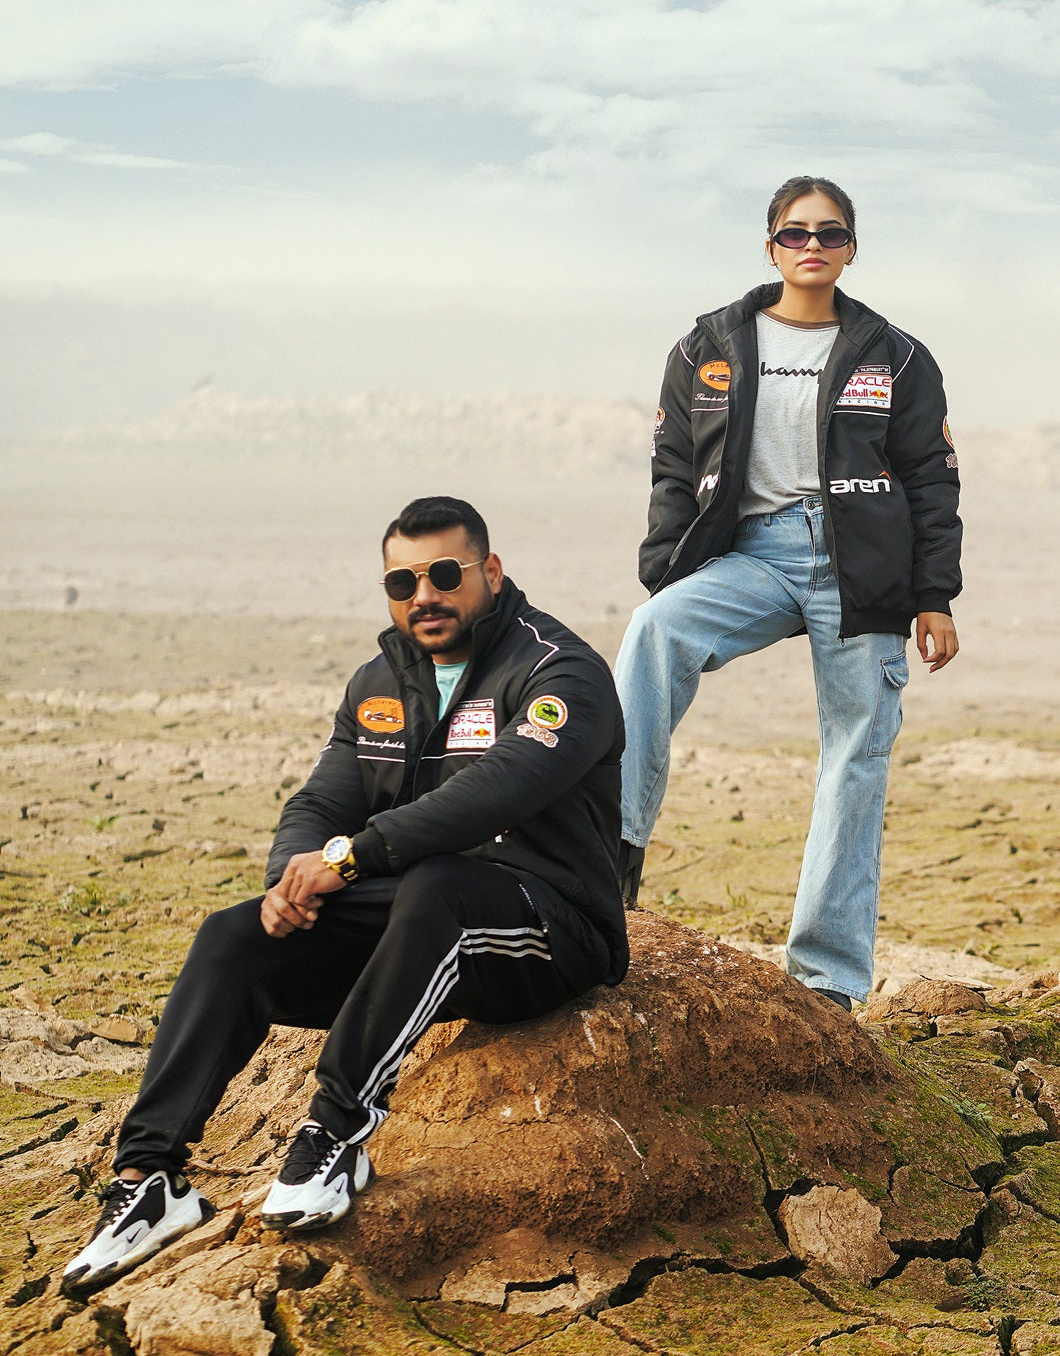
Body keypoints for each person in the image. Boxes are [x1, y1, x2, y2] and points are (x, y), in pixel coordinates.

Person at [63, 496, 627, 1294]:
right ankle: (148, 1180)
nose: (424, 595)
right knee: (235, 937)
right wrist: (290, 880)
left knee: (436, 886)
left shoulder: (559, 671)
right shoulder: (381, 682)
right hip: (421, 927)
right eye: (403, 581)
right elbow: (322, 802)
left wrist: (356, 858)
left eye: (444, 574)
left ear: (492, 573)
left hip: (548, 931)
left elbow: (501, 788)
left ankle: (335, 1135)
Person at [614, 175, 961, 1011]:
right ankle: (608, 863)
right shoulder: (708, 344)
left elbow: (930, 480)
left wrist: (935, 595)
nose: (813, 246)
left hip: (861, 566)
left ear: (851, 249)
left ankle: (827, 979)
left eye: (830, 233)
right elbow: (673, 467)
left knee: (855, 757)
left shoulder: (895, 354)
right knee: (653, 631)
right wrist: (667, 569)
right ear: (770, 246)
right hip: (755, 554)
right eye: (796, 233)